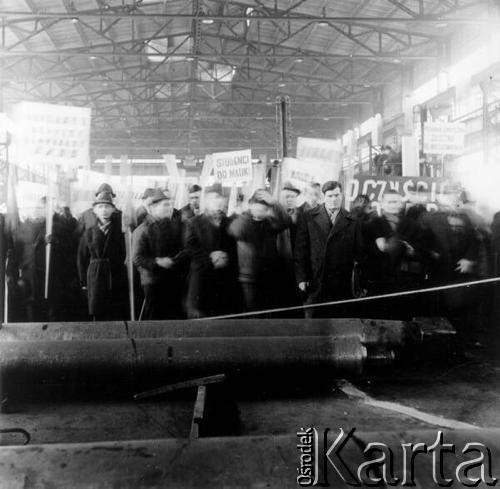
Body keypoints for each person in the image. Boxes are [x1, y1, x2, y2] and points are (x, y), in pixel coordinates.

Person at [295, 181, 362, 318]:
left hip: (341, 281)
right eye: (330, 196)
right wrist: (302, 277)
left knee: (337, 321)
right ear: (323, 197)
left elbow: (359, 252)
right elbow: (301, 250)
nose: (334, 199)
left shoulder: (353, 220)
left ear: (342, 196)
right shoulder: (308, 217)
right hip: (315, 278)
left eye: (337, 195)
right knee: (313, 321)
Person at [229, 189, 291, 313]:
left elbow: (286, 221)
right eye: (256, 206)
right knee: (253, 312)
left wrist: (274, 203)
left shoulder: (270, 223)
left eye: (263, 208)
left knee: (268, 312)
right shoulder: (243, 220)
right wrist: (248, 212)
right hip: (249, 277)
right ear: (251, 206)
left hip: (269, 275)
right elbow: (236, 230)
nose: (259, 210)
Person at [185, 183, 241, 318]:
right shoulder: (194, 222)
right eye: (215, 197)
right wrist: (211, 258)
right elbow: (190, 247)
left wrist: (225, 257)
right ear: (207, 199)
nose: (219, 201)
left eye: (222, 198)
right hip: (202, 282)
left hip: (226, 282)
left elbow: (235, 248)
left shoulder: (231, 222)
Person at [132, 188, 187, 319]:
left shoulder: (175, 228)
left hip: (172, 280)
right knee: (155, 318)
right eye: (165, 205)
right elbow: (137, 258)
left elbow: (184, 249)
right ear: (153, 208)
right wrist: (158, 262)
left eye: (170, 205)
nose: (169, 209)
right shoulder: (142, 230)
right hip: (153, 283)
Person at [78, 191, 128, 320]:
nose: (104, 210)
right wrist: (83, 280)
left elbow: (124, 254)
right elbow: (82, 258)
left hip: (114, 274)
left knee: (115, 309)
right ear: (94, 210)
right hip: (95, 276)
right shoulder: (88, 233)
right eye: (100, 207)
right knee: (98, 309)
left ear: (113, 209)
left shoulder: (120, 231)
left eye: (107, 207)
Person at [6, 197, 47, 322]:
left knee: (45, 309)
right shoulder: (21, 230)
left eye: (40, 208)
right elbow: (14, 256)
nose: (36, 211)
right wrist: (11, 276)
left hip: (46, 277)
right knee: (29, 309)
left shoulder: (50, 229)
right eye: (34, 208)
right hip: (27, 276)